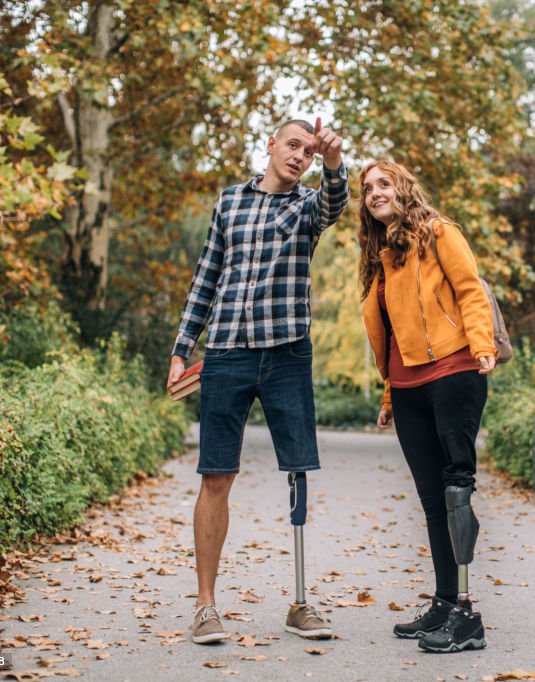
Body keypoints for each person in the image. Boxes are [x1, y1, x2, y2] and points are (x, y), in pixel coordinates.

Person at [168, 118, 346, 644]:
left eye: (308, 153)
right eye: (293, 146)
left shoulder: (308, 206)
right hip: (226, 352)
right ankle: (205, 606)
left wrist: (334, 163)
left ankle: (300, 602)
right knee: (216, 474)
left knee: (297, 471)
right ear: (271, 145)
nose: (299, 157)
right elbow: (206, 276)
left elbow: (335, 204)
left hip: (287, 352)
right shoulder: (229, 203)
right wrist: (183, 348)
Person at [357, 159, 497, 653]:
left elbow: (470, 291)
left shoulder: (440, 232)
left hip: (455, 372)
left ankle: (466, 616)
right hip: (408, 387)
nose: (375, 192)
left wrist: (482, 345)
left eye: (383, 182)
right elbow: (395, 336)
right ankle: (443, 602)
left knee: (456, 491)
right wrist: (390, 393)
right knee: (432, 500)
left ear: (403, 187)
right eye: (367, 187)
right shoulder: (382, 260)